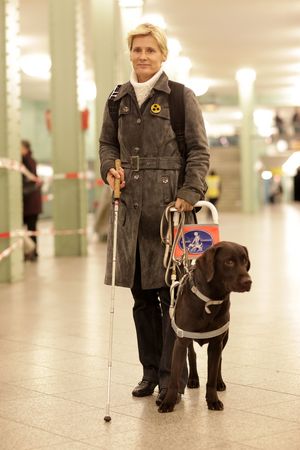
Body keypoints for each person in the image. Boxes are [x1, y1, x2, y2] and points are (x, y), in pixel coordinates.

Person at [99, 23, 209, 405]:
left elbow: (198, 151)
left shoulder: (180, 97)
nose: (143, 56)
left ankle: (170, 376)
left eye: (150, 50)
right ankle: (148, 372)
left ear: (163, 55)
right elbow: (106, 145)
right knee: (140, 299)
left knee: (169, 297)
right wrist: (109, 167)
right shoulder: (117, 100)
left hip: (170, 214)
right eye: (137, 50)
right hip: (129, 211)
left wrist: (189, 193)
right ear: (130, 54)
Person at [21, 140, 42, 261]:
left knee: (30, 229)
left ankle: (31, 251)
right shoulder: (31, 160)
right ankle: (33, 252)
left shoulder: (26, 160)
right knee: (31, 229)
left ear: (25, 148)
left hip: (29, 203)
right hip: (33, 203)